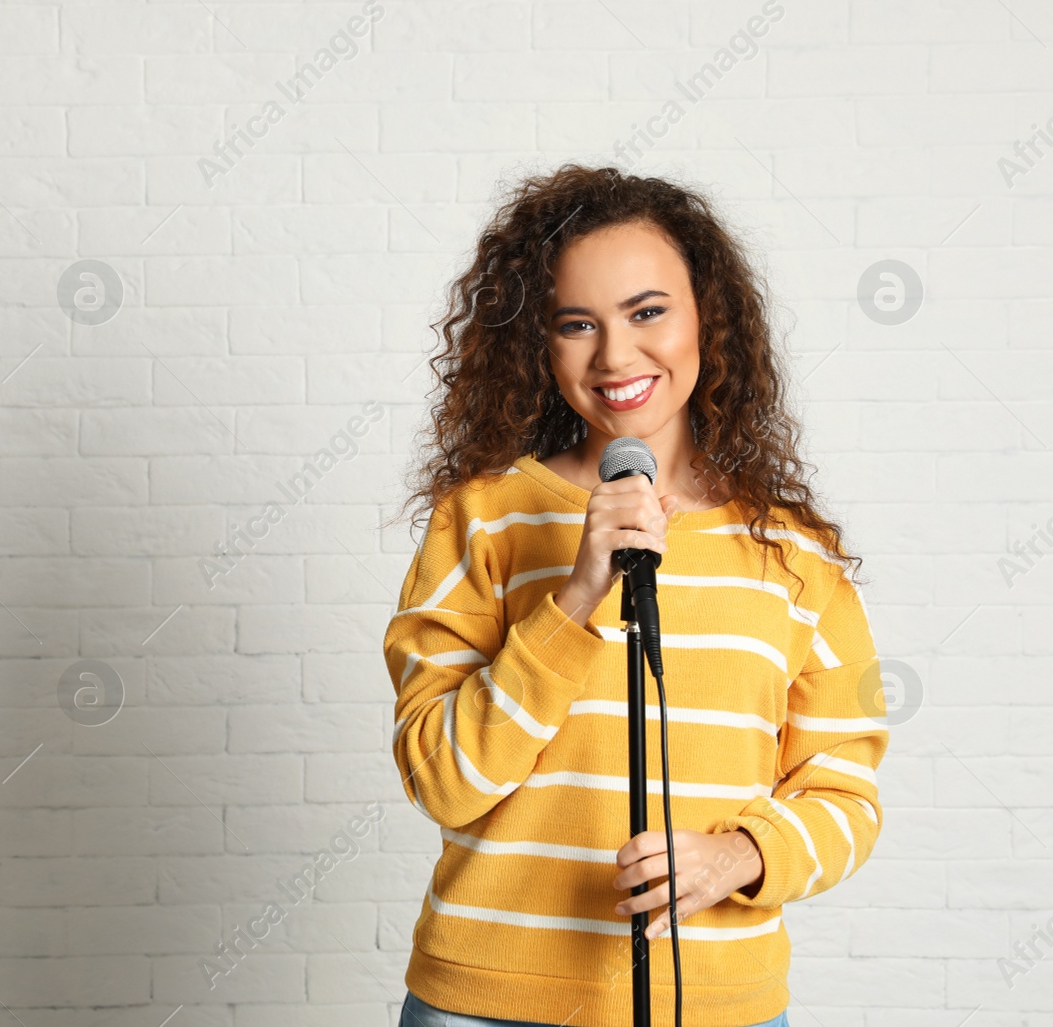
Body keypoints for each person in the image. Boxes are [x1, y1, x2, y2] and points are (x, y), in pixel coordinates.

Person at [381, 165, 889, 1027]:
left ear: (708, 319)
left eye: (647, 312)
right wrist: (577, 595)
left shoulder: (798, 556)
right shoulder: (483, 520)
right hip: (486, 1004)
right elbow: (441, 777)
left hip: (720, 1004)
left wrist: (740, 856)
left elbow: (845, 793)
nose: (615, 356)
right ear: (538, 346)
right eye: (576, 324)